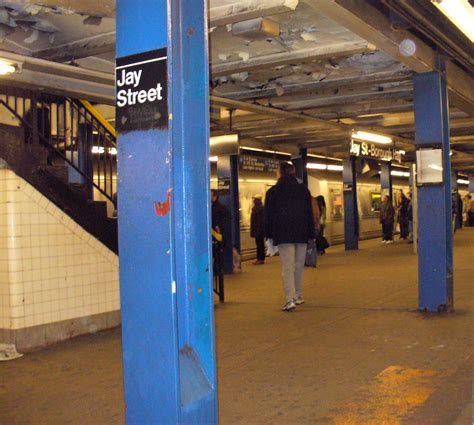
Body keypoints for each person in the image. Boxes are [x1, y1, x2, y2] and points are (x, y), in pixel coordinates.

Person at [264, 162, 315, 312]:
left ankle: (289, 299)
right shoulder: (303, 190)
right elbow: (308, 213)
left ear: (281, 172)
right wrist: (311, 233)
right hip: (302, 233)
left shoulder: (273, 192)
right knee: (299, 265)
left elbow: (268, 215)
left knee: (288, 267)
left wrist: (268, 234)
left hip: (284, 233)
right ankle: (298, 295)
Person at [250, 194, 265, 265]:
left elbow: (258, 221)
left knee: (259, 245)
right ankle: (261, 258)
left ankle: (260, 259)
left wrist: (257, 231)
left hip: (258, 230)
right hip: (259, 230)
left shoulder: (257, 209)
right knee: (260, 244)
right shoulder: (261, 208)